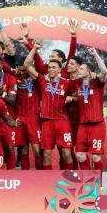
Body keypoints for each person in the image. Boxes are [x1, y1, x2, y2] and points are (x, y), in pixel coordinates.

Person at [24, 42, 75, 170]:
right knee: (46, 154)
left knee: (66, 153)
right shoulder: (42, 80)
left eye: (54, 67)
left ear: (59, 69)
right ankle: (49, 182)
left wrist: (72, 98)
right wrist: (34, 47)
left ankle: (69, 181)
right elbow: (26, 65)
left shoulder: (67, 83)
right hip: (46, 123)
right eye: (49, 67)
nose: (51, 69)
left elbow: (79, 94)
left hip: (62, 122)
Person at [75, 47, 107, 172]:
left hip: (97, 125)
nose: (78, 70)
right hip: (83, 126)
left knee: (95, 156)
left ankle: (98, 183)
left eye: (81, 69)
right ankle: (88, 180)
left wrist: (95, 55)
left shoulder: (97, 83)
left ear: (89, 72)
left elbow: (104, 71)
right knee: (79, 155)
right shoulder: (77, 84)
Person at [0, 56, 18, 170]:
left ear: (1, 66)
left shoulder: (10, 79)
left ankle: (12, 173)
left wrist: (2, 94)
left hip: (7, 120)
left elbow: (13, 101)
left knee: (9, 148)